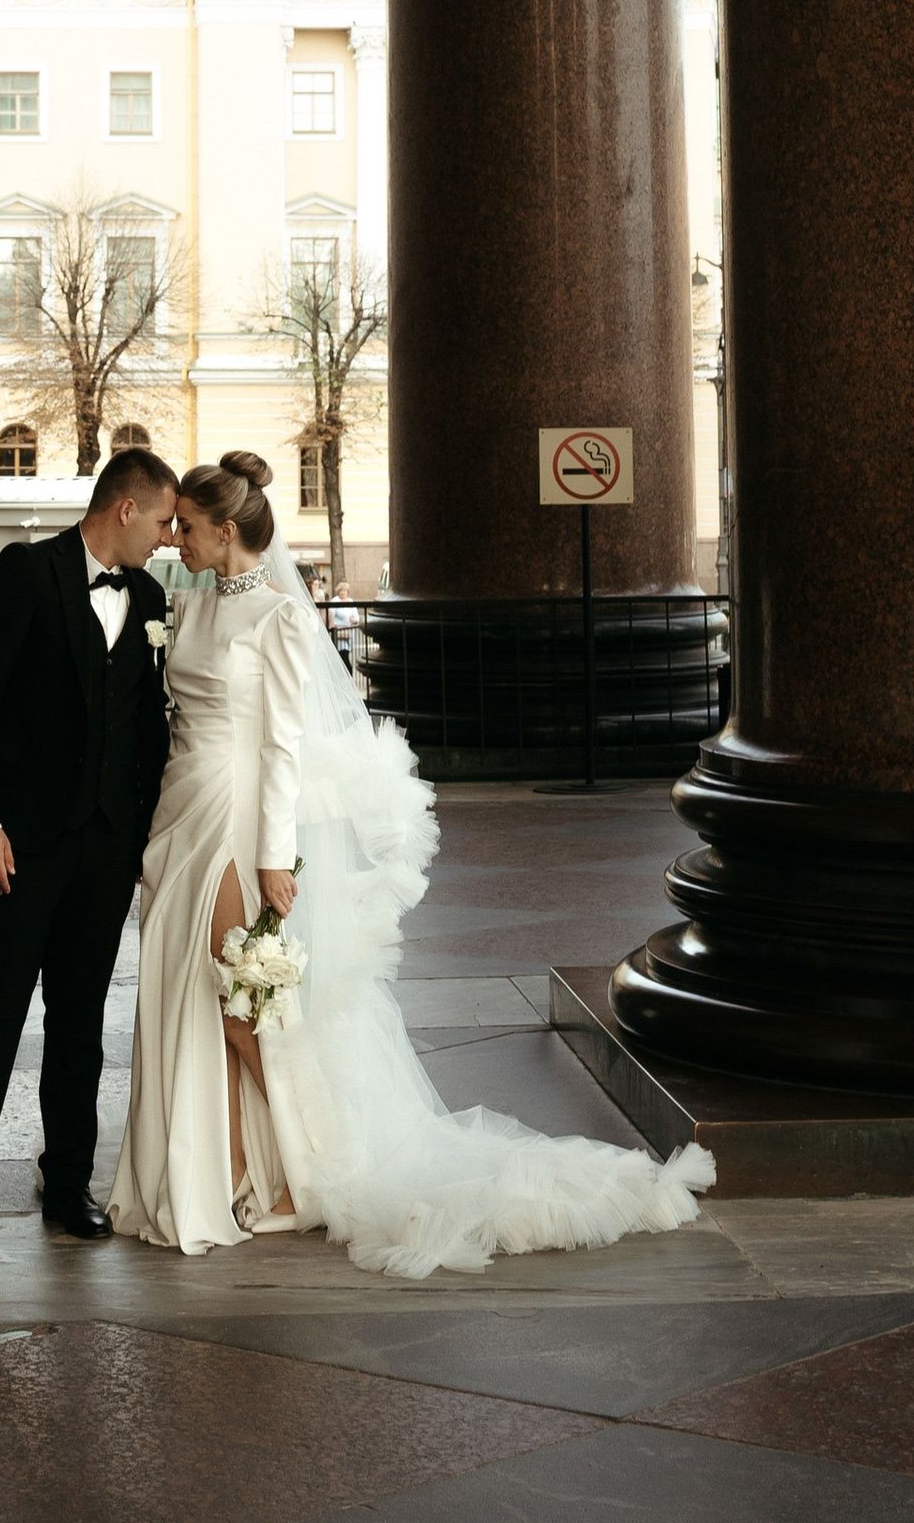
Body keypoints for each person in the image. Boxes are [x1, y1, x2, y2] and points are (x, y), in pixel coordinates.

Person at [110, 452, 718, 1272]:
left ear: (226, 530)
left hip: (233, 819)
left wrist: (273, 857)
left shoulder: (282, 620)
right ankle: (228, 1165)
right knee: (190, 994)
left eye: (186, 526)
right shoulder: (194, 603)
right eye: (171, 524)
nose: (173, 537)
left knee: (240, 1002)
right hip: (180, 812)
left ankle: (298, 1170)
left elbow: (284, 749)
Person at [0, 444, 179, 1255]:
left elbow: (145, 725)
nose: (168, 538)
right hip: (18, 846)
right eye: (164, 521)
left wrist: (141, 835)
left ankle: (68, 1184)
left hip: (104, 851)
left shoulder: (148, 594)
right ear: (125, 507)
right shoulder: (28, 572)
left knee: (80, 1024)